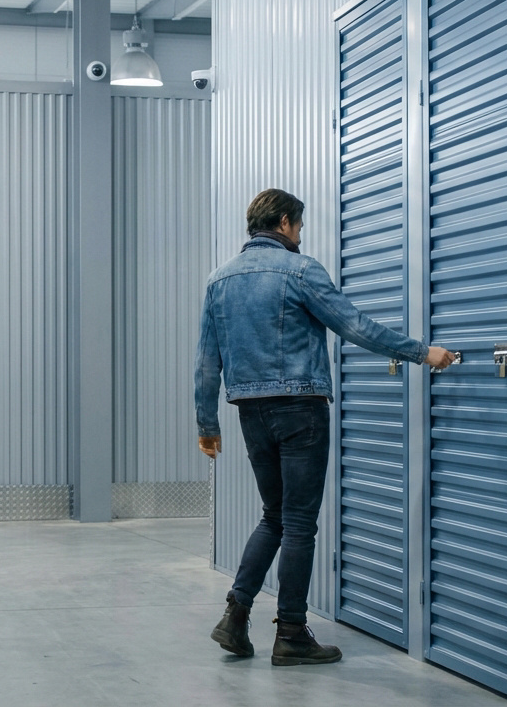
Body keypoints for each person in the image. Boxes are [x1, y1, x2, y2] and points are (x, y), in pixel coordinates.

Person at [194, 188, 456, 666]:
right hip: (300, 408)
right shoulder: (300, 270)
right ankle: (291, 632)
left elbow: (207, 363)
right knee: (296, 523)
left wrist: (207, 425)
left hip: (249, 411)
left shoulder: (219, 280)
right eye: (299, 225)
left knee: (273, 515)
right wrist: (422, 352)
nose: (300, 233)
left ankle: (235, 615)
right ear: (286, 223)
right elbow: (353, 325)